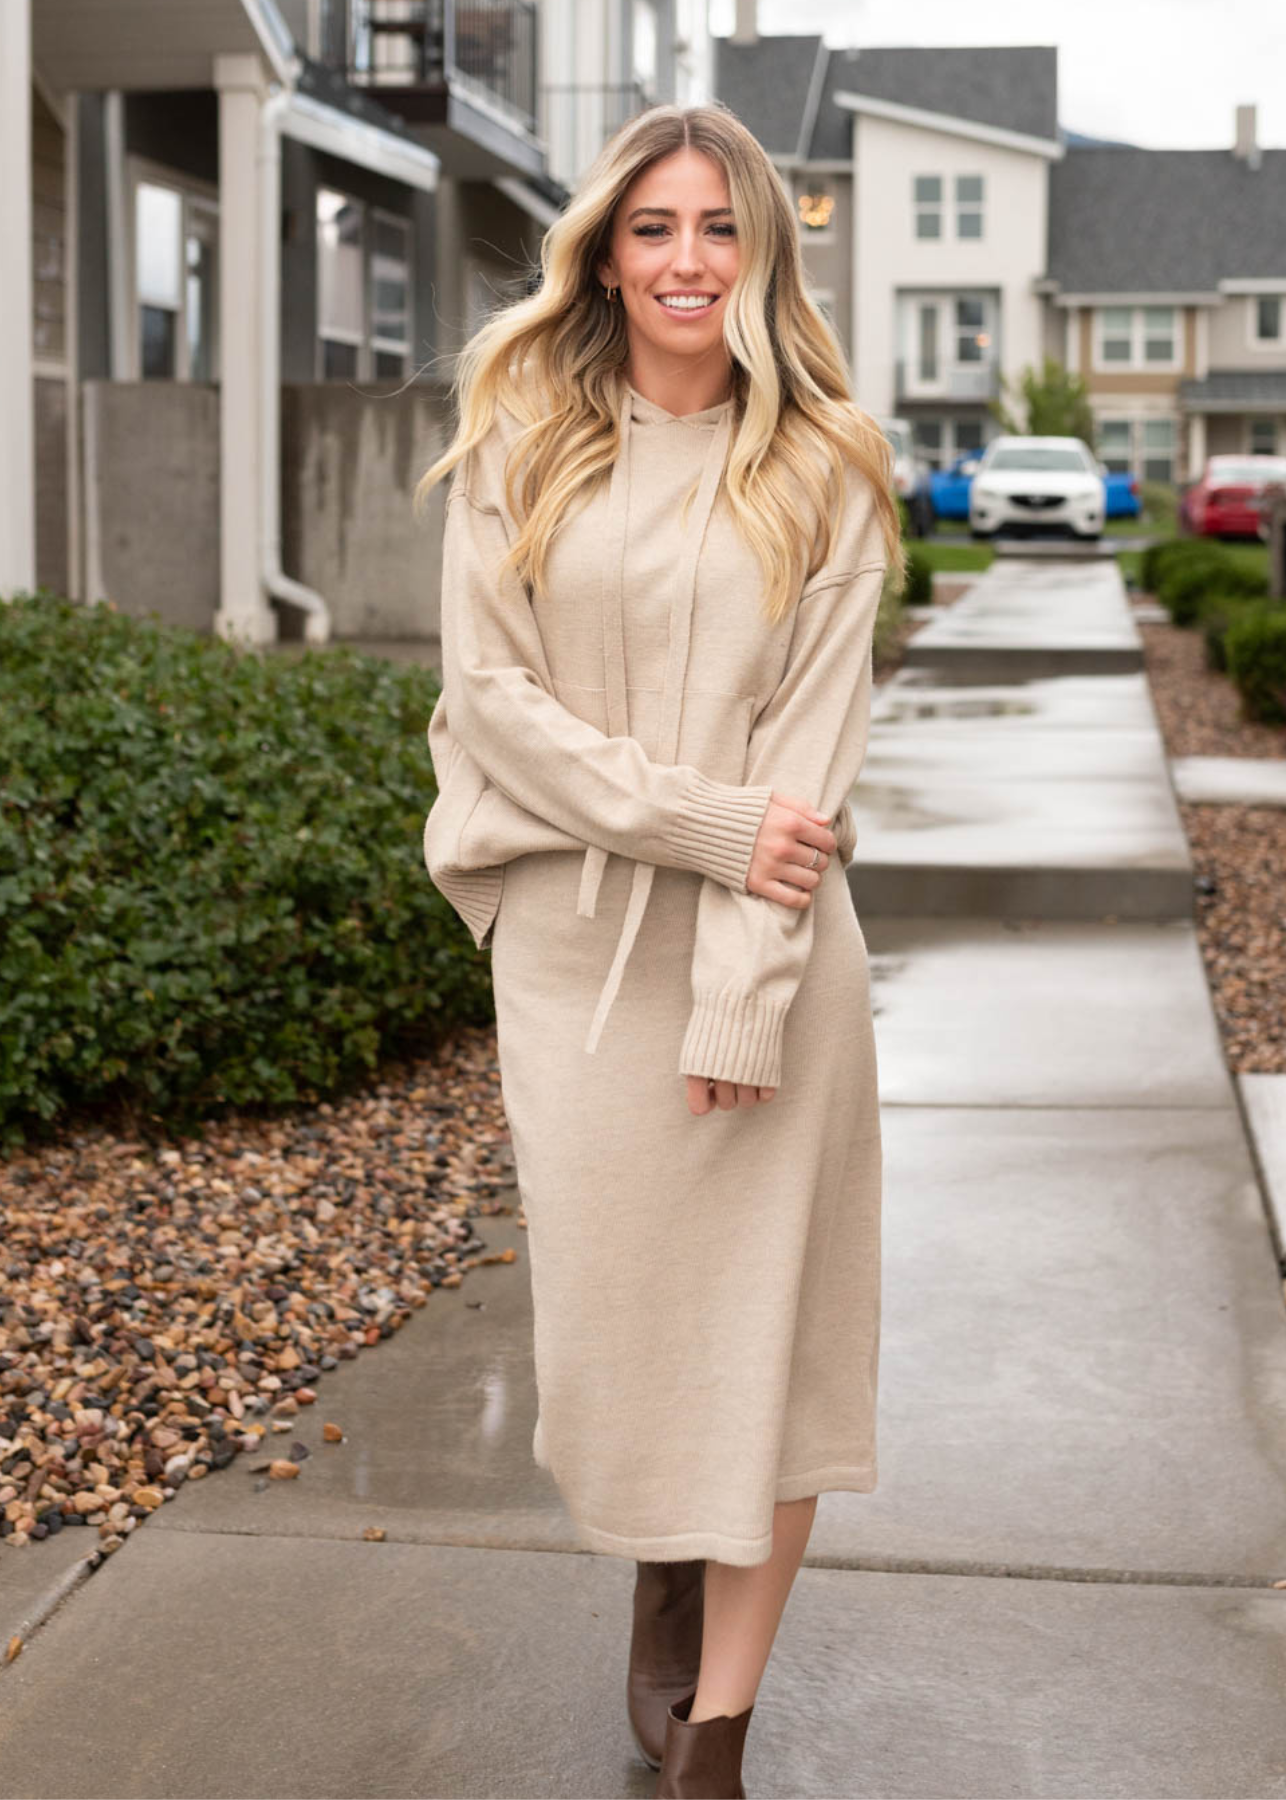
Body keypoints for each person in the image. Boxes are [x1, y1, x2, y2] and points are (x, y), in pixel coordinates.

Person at [417, 100, 902, 1800]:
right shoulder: (520, 442)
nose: (687, 260)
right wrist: (691, 825)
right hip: (571, 953)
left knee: (772, 1346)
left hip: (771, 953)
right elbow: (493, 707)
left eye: (718, 227)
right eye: (652, 228)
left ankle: (719, 1736)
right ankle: (666, 1554)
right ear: (604, 252)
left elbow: (811, 770)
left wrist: (744, 996)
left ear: (761, 250)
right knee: (631, 1343)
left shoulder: (831, 462)